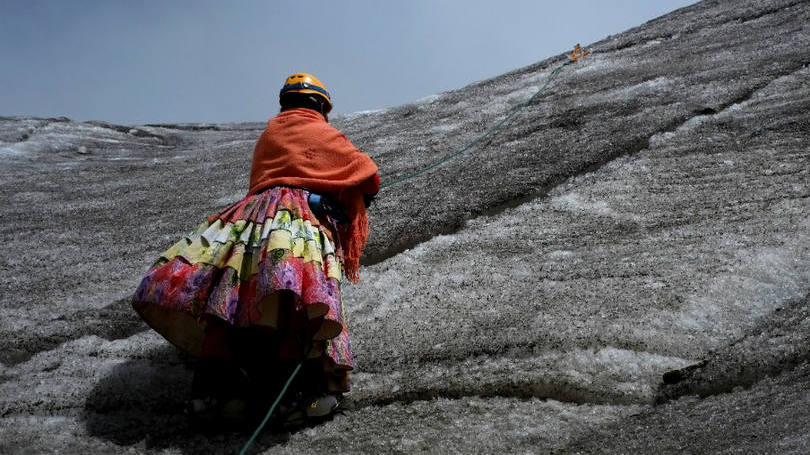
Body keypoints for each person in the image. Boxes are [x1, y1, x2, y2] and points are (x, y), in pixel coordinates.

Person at [131, 73, 379, 425]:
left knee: (236, 293)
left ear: (285, 103)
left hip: (250, 220)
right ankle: (304, 392)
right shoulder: (323, 132)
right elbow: (368, 175)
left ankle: (221, 390)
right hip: (296, 220)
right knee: (299, 295)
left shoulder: (269, 135)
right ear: (321, 106)